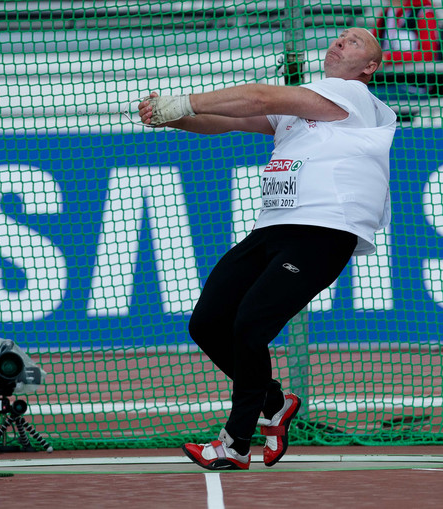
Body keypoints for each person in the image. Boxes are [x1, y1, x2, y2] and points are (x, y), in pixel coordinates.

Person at [138, 27, 396, 471]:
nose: (339, 42)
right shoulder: (304, 109)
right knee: (207, 323)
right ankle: (275, 405)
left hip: (324, 230)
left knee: (250, 326)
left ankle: (235, 444)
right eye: (338, 38)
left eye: (353, 42)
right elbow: (230, 121)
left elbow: (258, 97)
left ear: (369, 67)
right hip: (272, 228)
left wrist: (187, 101)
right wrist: (172, 117)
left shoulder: (351, 96)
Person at [371, 0, 441, 63]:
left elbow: (428, 55)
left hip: (415, 74)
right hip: (385, 74)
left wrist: (388, 58)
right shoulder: (385, 13)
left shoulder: (423, 12)